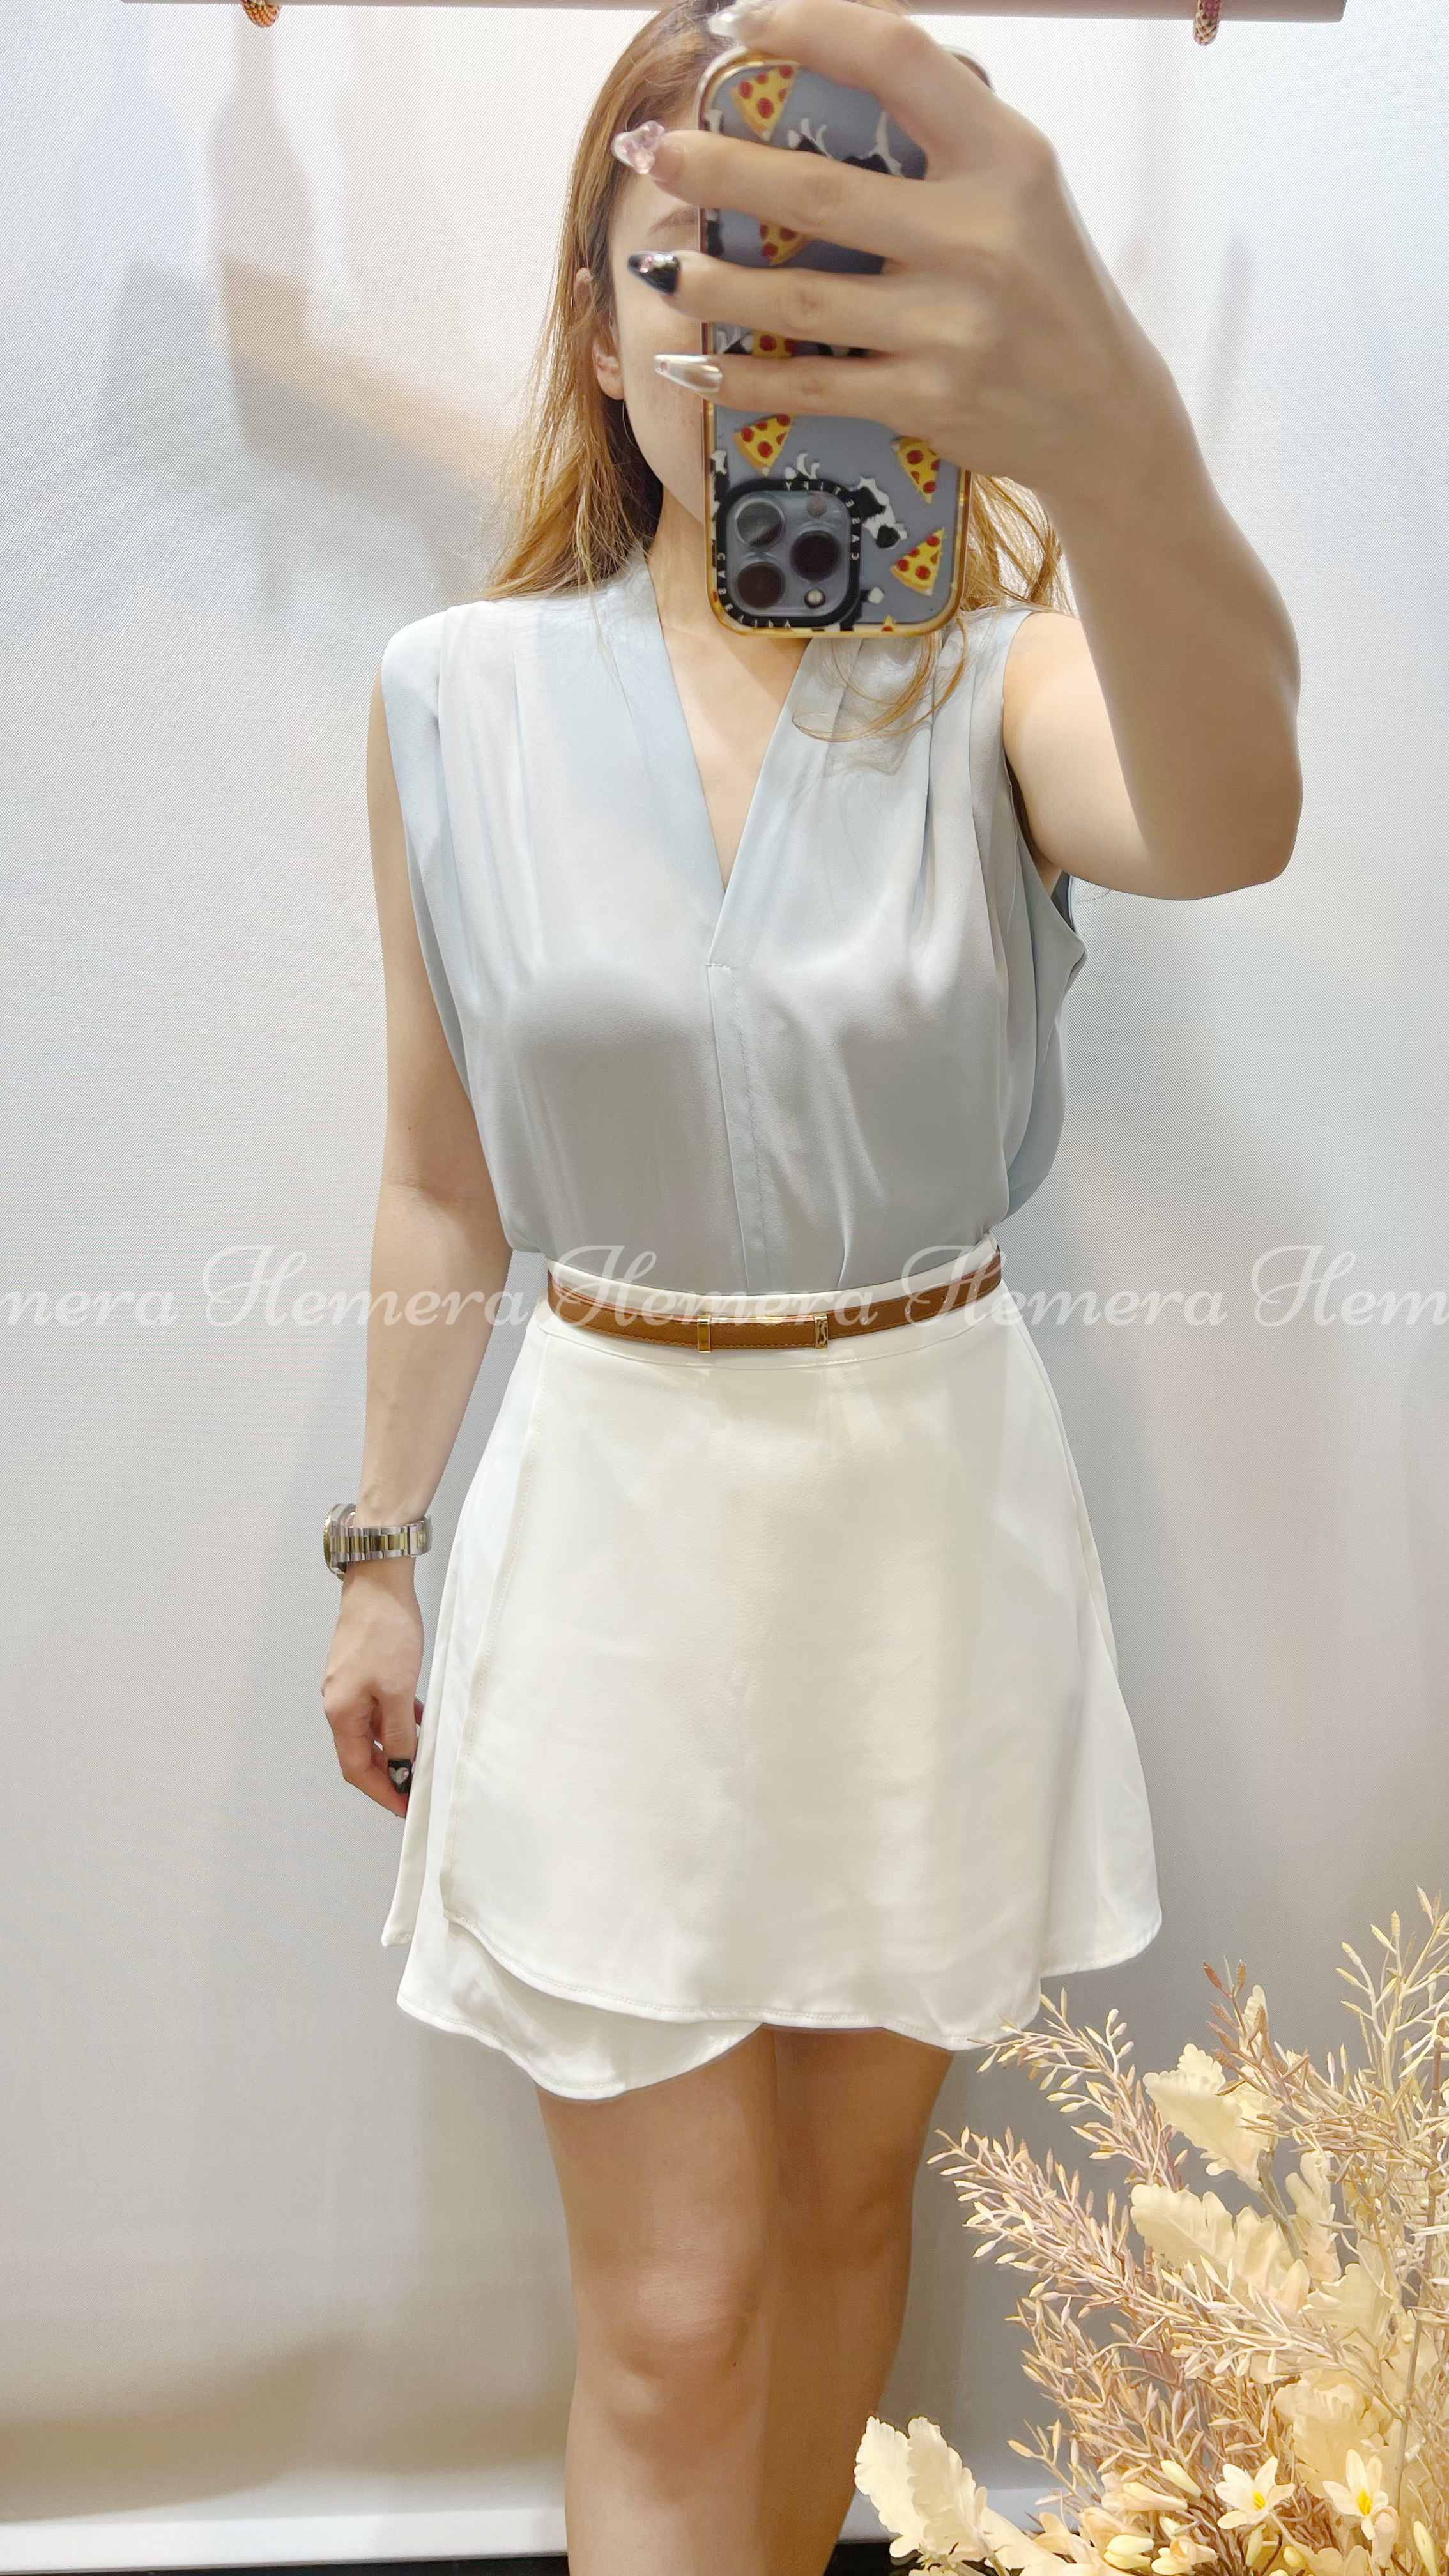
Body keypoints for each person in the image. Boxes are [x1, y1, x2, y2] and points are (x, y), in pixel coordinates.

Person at [320, 0, 1301, 2568]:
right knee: (672, 2311)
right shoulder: (451, 701)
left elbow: (1236, 817)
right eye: (695, 272)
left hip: (921, 1507)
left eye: (833, 284)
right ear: (595, 317)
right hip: (612, 1517)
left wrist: (1103, 423)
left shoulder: (1000, 683)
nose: (752, 341)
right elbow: (438, 1178)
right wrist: (376, 1549)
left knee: (854, 2223)